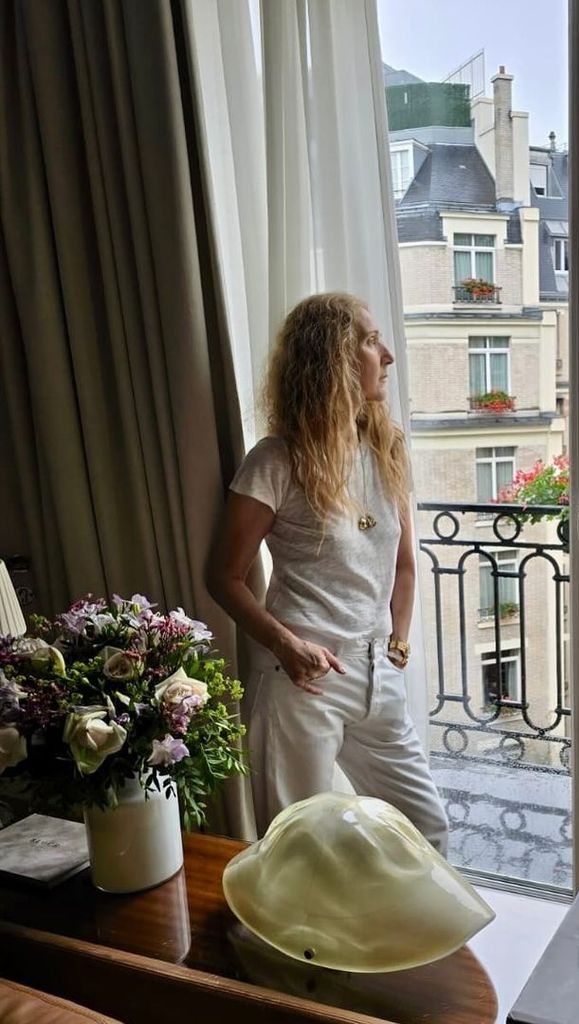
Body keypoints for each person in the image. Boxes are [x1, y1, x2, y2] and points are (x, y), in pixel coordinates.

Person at [207, 292, 448, 854]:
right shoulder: (276, 460)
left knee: (425, 832)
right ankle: (296, 945)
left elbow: (404, 561)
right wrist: (286, 645)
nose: (386, 355)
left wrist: (398, 645)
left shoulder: (384, 446)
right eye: (369, 340)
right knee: (299, 850)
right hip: (302, 682)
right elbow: (224, 575)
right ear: (332, 359)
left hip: (377, 676)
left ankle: (397, 943)